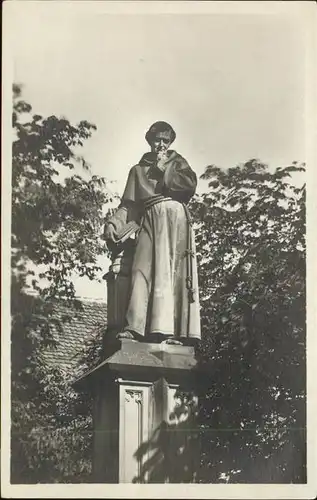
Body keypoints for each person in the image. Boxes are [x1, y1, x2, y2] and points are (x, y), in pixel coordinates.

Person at [104, 121, 201, 344]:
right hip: (150, 217)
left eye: (165, 140)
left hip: (176, 219)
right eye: (157, 139)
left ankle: (175, 333)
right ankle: (135, 327)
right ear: (150, 141)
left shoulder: (178, 164)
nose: (161, 144)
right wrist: (113, 223)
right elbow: (128, 206)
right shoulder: (137, 171)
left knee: (174, 273)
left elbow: (188, 188)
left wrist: (164, 166)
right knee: (141, 269)